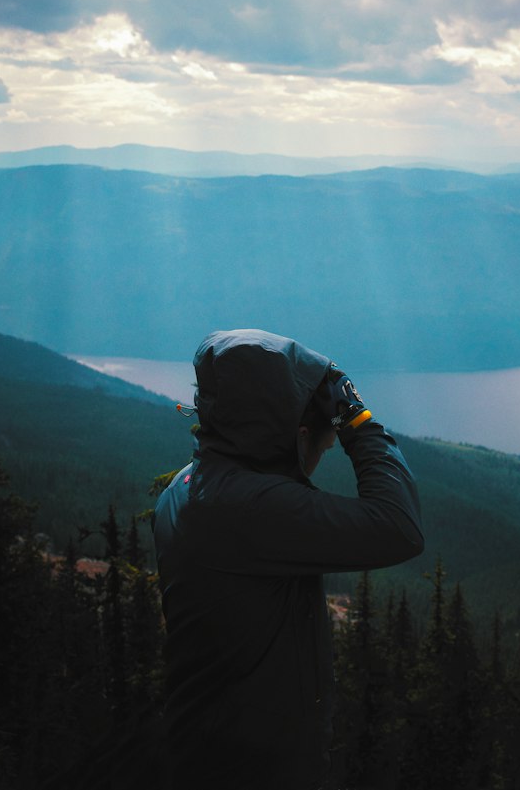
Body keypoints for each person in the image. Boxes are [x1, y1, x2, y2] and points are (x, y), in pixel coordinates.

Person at [152, 328, 425, 790]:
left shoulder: (187, 485)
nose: (325, 452)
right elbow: (400, 527)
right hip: (252, 770)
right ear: (298, 438)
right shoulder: (246, 508)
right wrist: (358, 421)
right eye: (324, 444)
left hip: (207, 750)